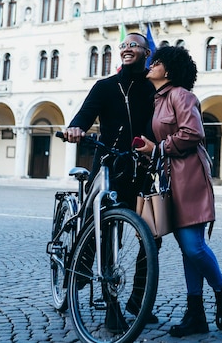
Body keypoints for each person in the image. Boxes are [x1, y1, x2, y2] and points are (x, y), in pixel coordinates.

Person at [62, 32, 159, 330]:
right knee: (108, 234)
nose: (127, 48)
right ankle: (111, 303)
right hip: (108, 165)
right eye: (123, 46)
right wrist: (75, 128)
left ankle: (137, 299)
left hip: (141, 168)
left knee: (152, 235)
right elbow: (85, 114)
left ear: (146, 52)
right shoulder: (105, 86)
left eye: (133, 45)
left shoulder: (154, 89)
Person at [136, 46, 222, 337]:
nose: (151, 66)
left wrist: (159, 148)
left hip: (190, 177)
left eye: (156, 63)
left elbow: (193, 133)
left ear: (168, 70)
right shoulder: (158, 100)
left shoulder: (181, 95)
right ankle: (196, 315)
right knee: (186, 250)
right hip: (170, 179)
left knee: (193, 246)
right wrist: (149, 152)